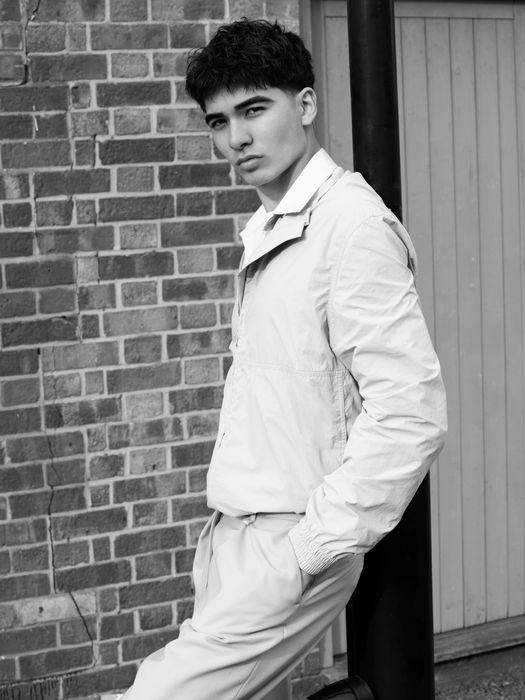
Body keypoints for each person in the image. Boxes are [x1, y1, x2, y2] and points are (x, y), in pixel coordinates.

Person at [121, 18, 447, 700]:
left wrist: (309, 549)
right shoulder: (270, 227)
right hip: (232, 537)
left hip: (287, 540)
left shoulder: (350, 226)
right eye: (218, 121)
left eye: (253, 109)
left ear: (304, 104)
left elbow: (409, 411)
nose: (236, 138)